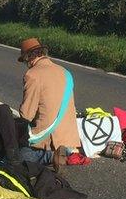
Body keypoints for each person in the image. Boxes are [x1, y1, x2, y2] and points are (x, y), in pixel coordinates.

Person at [17, 38, 82, 170]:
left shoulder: (32, 75)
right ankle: (67, 153)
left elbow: (26, 114)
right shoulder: (66, 72)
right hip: (70, 139)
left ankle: (51, 156)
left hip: (50, 140)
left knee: (17, 156)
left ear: (28, 58)